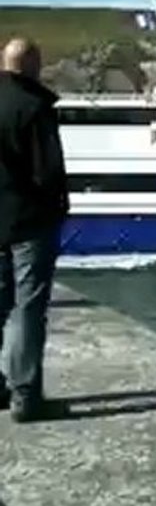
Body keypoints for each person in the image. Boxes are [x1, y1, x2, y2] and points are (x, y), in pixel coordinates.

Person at [0, 37, 69, 423]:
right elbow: (48, 173)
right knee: (28, 307)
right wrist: (59, 209)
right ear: (33, 66)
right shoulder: (35, 106)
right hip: (29, 223)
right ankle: (25, 396)